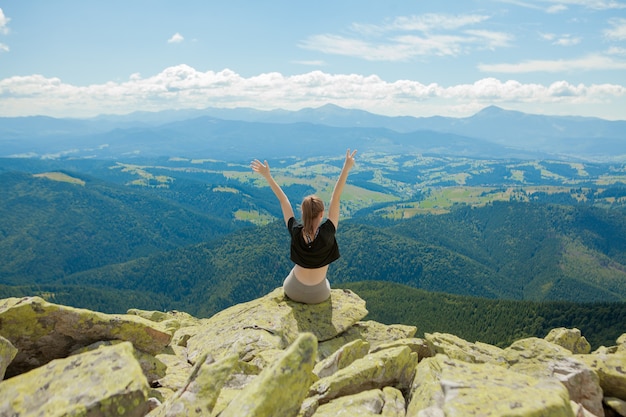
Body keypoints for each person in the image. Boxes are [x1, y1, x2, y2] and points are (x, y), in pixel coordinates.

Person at [251, 149, 357, 304]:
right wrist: (346, 167)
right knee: (325, 283)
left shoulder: (295, 232)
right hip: (319, 294)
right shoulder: (327, 233)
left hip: (292, 290)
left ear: (303, 212)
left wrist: (267, 175)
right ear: (322, 214)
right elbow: (336, 197)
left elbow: (283, 200)